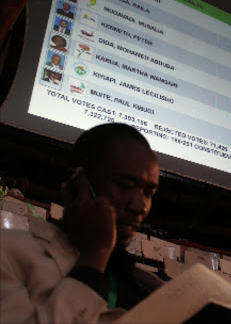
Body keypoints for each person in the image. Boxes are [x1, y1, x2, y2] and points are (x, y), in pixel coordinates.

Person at [0, 123, 162, 323]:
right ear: (78, 183)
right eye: (125, 186)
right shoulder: (8, 252)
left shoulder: (148, 285)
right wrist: (94, 258)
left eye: (149, 193)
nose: (140, 206)